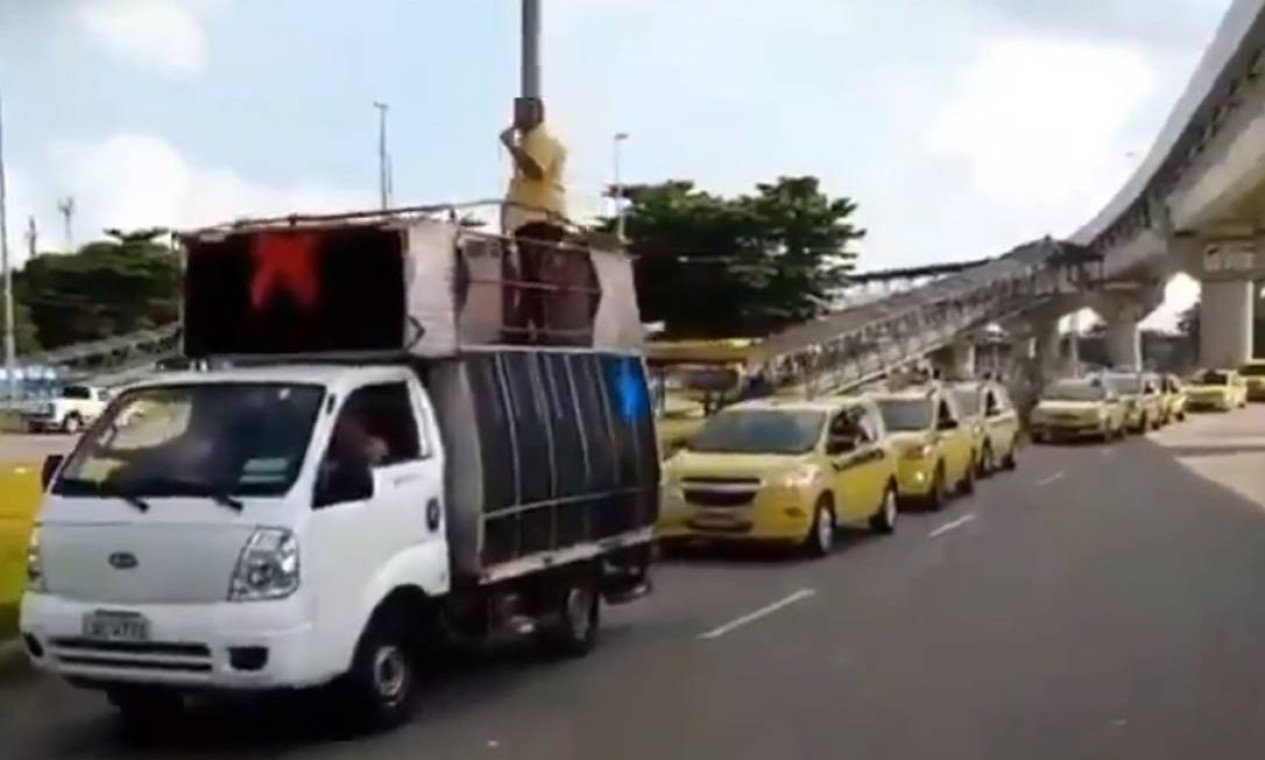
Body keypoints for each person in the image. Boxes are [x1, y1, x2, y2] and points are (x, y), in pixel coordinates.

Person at [500, 97, 569, 343]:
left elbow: (535, 171)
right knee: (531, 275)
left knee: (534, 276)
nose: (516, 117)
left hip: (540, 217)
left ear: (536, 113)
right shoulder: (532, 141)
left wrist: (511, 146)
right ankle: (528, 328)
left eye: (521, 112)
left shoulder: (541, 140)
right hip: (530, 217)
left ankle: (535, 330)